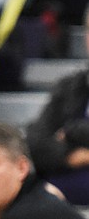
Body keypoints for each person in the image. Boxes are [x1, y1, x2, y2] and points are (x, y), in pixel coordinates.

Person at [24, 13, 89, 179]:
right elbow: (35, 140)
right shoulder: (69, 85)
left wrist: (69, 132)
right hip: (58, 189)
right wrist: (69, 157)